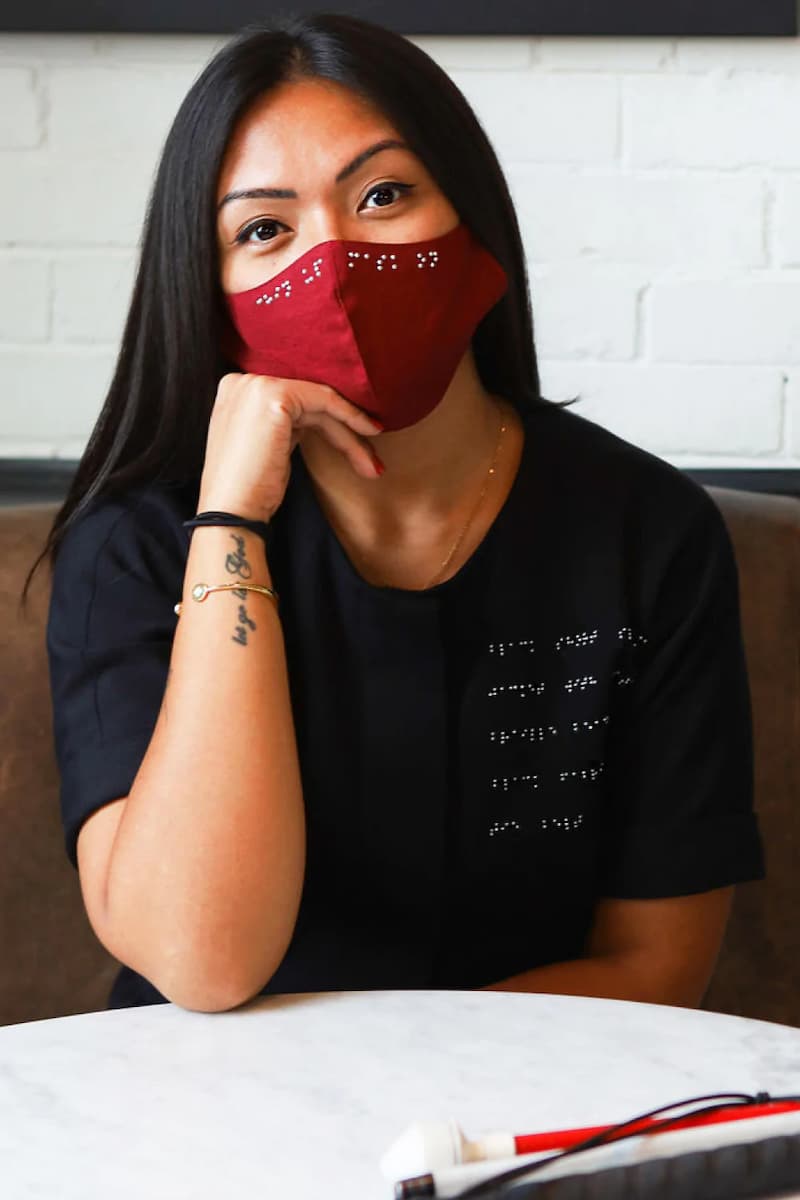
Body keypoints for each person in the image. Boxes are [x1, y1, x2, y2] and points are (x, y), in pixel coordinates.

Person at [26, 12, 763, 1015]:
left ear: (470, 223)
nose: (331, 262)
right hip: (206, 1129)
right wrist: (231, 521)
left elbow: (654, 964)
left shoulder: (649, 532)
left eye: (382, 195)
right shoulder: (136, 543)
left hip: (526, 1117)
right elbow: (202, 962)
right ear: (210, 291)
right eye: (263, 230)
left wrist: (420, 1129)